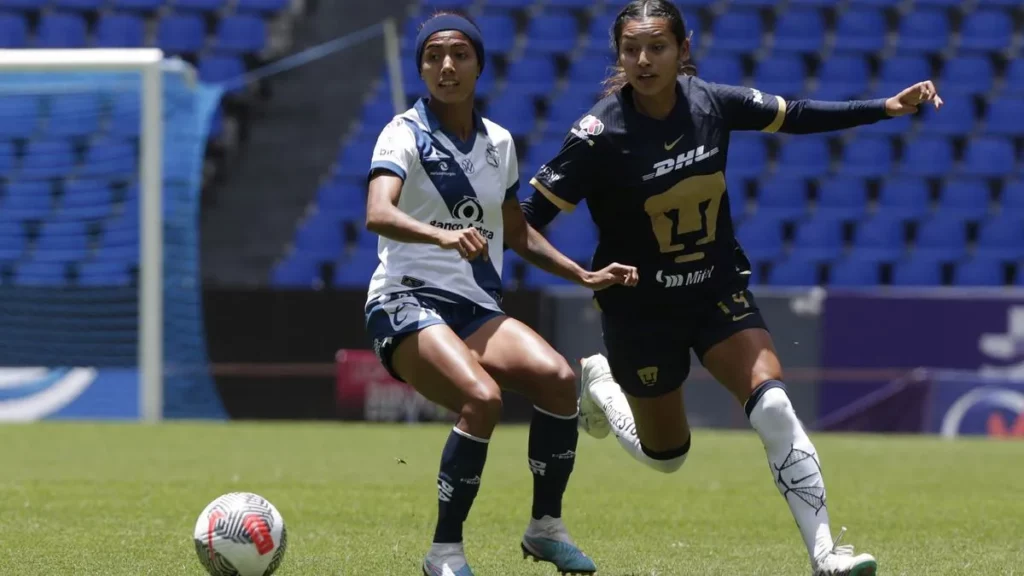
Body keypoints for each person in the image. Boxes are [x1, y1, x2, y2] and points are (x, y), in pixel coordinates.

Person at [519, 1, 943, 574]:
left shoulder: (713, 104)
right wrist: (580, 274)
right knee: (667, 457)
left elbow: (796, 114)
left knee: (772, 405)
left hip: (714, 290)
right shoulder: (599, 133)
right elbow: (523, 222)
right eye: (631, 49)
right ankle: (602, 386)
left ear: (682, 48)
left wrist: (885, 107)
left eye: (658, 47)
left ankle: (825, 554)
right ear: (619, 55)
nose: (644, 60)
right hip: (641, 311)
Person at [363, 12, 637, 576]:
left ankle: (545, 530)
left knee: (560, 382)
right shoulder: (402, 132)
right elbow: (378, 213)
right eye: (433, 55)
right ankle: (444, 551)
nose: (446, 66)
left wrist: (581, 275)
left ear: (479, 65)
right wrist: (442, 234)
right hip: (404, 301)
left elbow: (516, 233)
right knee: (483, 400)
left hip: (473, 309)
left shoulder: (499, 143)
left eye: (459, 54)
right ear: (420, 67)